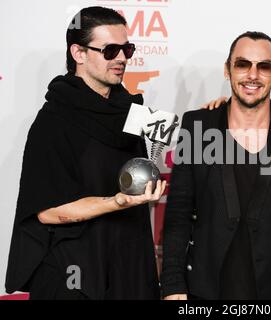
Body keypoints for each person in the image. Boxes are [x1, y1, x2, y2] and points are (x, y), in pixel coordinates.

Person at [5, 6, 166, 300]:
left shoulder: (132, 110)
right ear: (79, 53)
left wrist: (223, 109)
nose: (121, 58)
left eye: (126, 49)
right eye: (110, 50)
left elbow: (186, 133)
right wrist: (117, 201)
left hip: (128, 268)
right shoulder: (52, 121)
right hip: (74, 275)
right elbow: (48, 211)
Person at [160, 31, 271, 300]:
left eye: (264, 66)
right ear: (227, 70)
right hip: (206, 290)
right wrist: (173, 286)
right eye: (242, 64)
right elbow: (178, 212)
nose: (252, 75)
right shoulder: (199, 126)